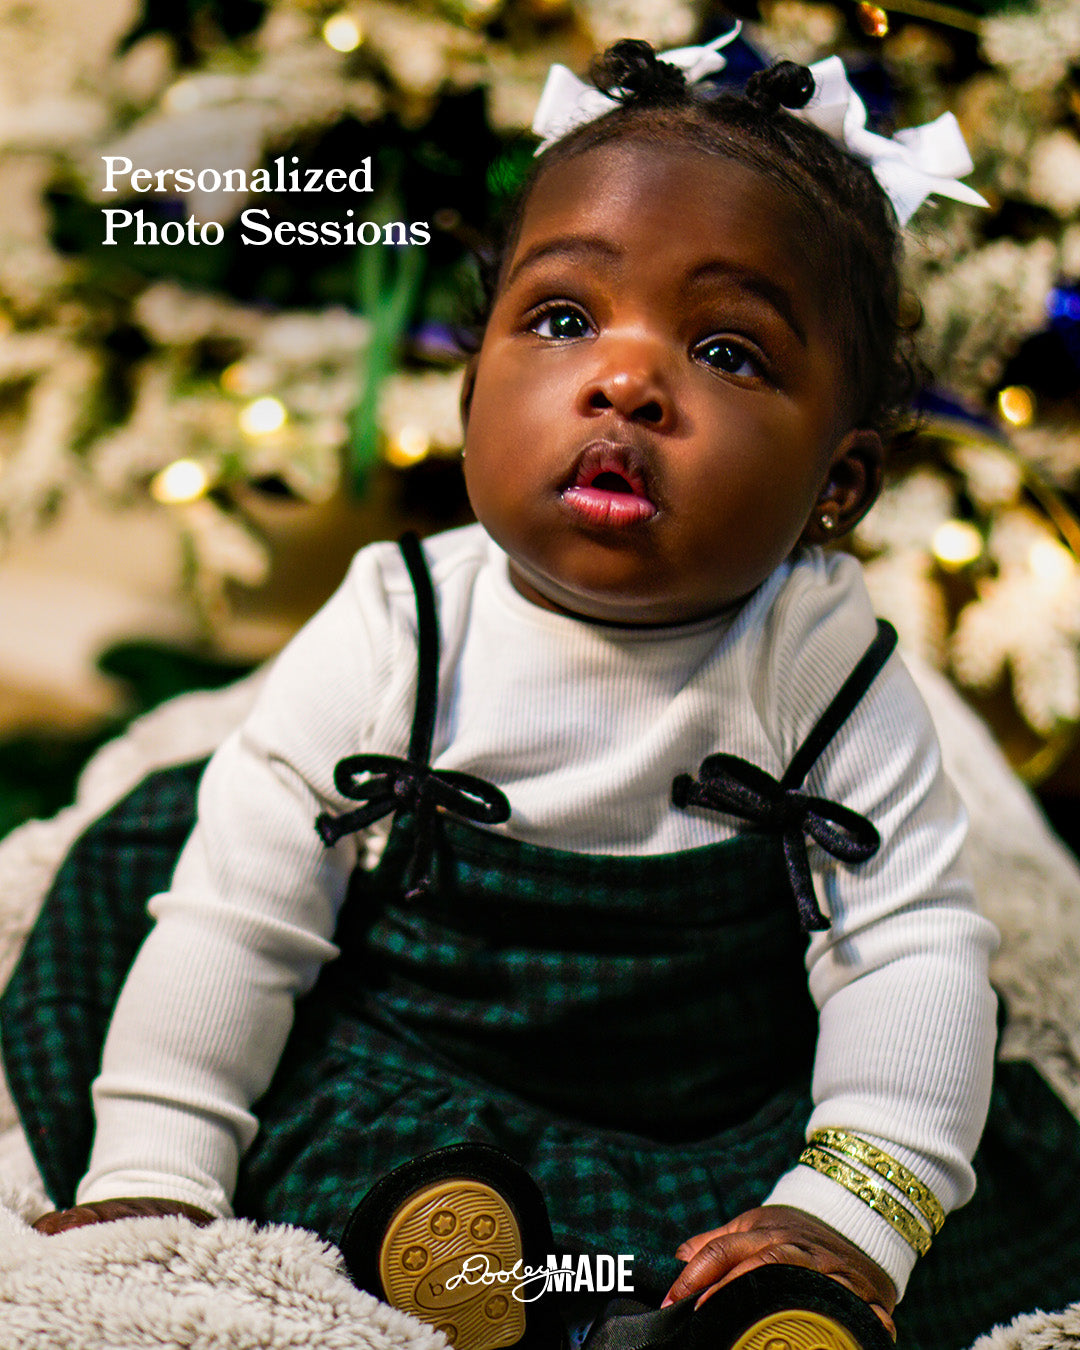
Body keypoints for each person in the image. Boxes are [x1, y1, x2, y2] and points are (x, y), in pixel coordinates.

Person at [11, 33, 1080, 1350]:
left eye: (728, 350)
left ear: (837, 484)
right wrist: (157, 1174)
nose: (625, 380)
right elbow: (243, 918)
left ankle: (776, 1299)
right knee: (301, 1098)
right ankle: (457, 1256)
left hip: (708, 1109)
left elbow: (906, 951)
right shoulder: (398, 625)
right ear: (475, 392)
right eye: (565, 320)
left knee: (929, 1155)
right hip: (414, 1060)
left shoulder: (827, 672)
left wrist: (849, 1208)